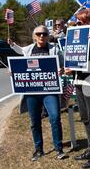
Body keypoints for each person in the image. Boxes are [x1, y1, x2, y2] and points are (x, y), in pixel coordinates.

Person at [7, 25, 67, 161]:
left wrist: (62, 70)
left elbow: (64, 65)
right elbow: (20, 56)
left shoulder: (54, 49)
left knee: (55, 118)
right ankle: (38, 149)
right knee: (35, 121)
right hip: (32, 92)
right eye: (39, 34)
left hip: (50, 91)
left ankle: (59, 149)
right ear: (34, 36)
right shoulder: (28, 49)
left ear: (48, 36)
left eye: (44, 34)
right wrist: (14, 73)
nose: (41, 36)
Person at [66, 9, 90, 169]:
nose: (78, 25)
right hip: (80, 81)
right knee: (84, 117)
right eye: (77, 22)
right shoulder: (77, 37)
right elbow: (75, 58)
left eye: (81, 22)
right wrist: (70, 69)